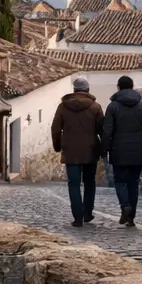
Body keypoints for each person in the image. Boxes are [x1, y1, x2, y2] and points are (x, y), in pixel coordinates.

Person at [100, 75, 142, 227]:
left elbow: (107, 131)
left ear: (118, 88)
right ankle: (131, 218)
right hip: (139, 151)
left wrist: (103, 150)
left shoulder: (112, 107)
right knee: (133, 183)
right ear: (132, 88)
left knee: (119, 181)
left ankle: (125, 206)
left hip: (118, 151)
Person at [50, 76, 103, 227]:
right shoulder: (95, 107)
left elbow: (55, 129)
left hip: (70, 150)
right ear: (87, 90)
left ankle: (77, 217)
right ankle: (87, 213)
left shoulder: (63, 107)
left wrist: (58, 146)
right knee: (89, 183)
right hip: (90, 150)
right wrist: (102, 148)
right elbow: (102, 130)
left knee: (73, 184)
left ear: (74, 90)